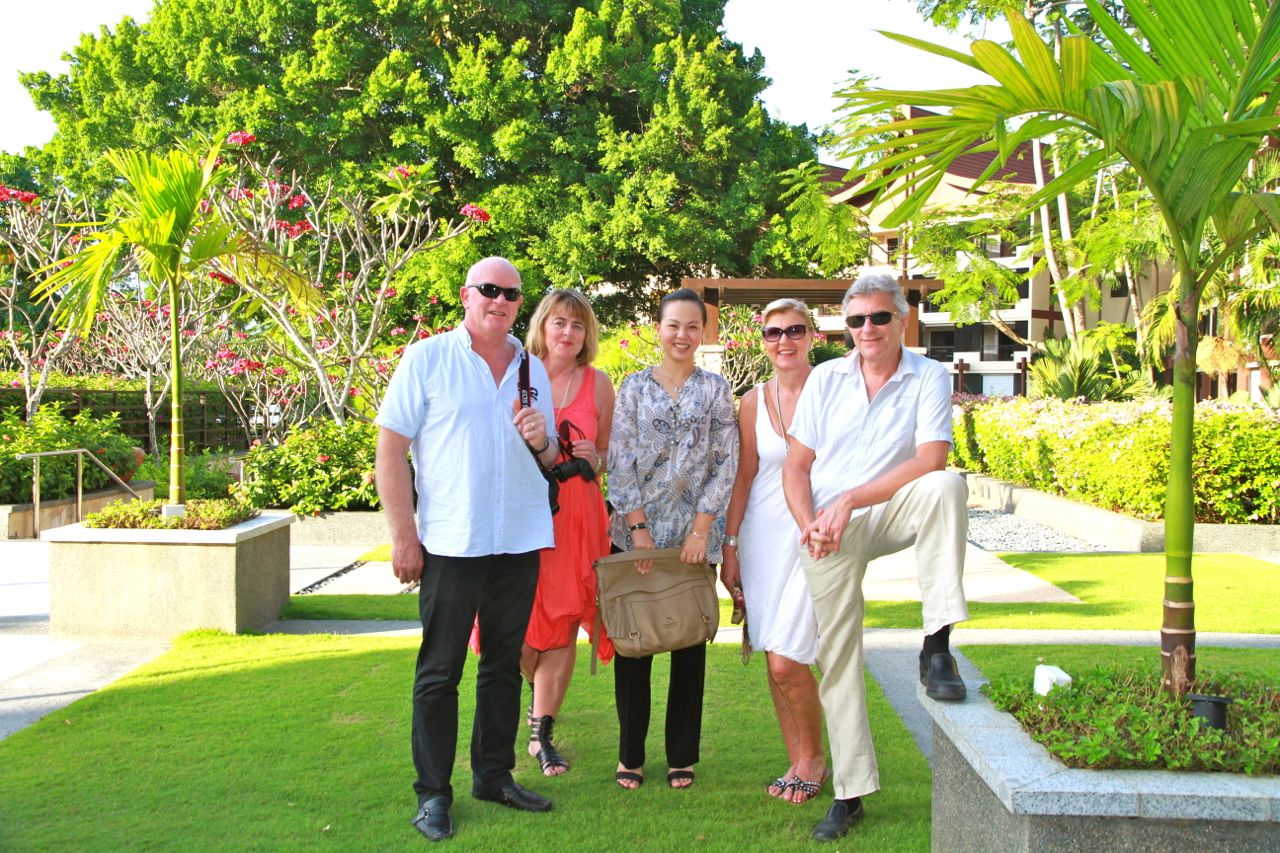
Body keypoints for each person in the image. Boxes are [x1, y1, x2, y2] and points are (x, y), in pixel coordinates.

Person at [375, 257, 560, 843]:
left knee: (503, 666)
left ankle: (494, 777)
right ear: (466, 295)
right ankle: (433, 794)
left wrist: (544, 442)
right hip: (452, 543)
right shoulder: (426, 359)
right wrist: (403, 535)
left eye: (511, 294)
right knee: (440, 671)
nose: (500, 301)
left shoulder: (532, 368)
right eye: (489, 290)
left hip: (518, 539)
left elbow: (552, 458)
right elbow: (390, 450)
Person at [782, 272, 969, 842]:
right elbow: (796, 467)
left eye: (880, 317)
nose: (868, 328)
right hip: (827, 530)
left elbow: (931, 458)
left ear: (902, 321)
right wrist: (810, 524)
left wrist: (850, 500)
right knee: (837, 657)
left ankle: (936, 643)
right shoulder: (825, 379)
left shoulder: (928, 375)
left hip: (886, 511)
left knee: (946, 487)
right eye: (857, 319)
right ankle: (850, 794)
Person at [607, 287, 738, 791]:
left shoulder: (716, 390)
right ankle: (630, 756)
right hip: (635, 538)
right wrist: (638, 530)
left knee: (687, 647)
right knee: (634, 648)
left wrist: (701, 530)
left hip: (693, 541)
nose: (682, 335)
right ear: (658, 329)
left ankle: (681, 755)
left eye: (692, 326)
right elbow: (619, 460)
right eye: (673, 325)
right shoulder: (634, 387)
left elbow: (726, 461)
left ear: (703, 332)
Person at [719, 298, 825, 805]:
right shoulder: (752, 402)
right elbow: (744, 477)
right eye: (774, 332)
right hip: (761, 538)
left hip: (815, 536)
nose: (785, 341)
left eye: (795, 330)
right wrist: (731, 545)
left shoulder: (835, 390)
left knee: (788, 660)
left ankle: (815, 758)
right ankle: (797, 760)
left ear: (813, 336)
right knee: (772, 655)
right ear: (762, 341)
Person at [519, 288, 616, 776]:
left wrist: (595, 458)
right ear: (543, 325)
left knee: (562, 619)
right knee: (517, 624)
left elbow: (606, 454)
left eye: (578, 325)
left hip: (577, 515)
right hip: (521, 514)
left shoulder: (598, 384)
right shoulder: (517, 374)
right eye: (559, 322)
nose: (568, 332)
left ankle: (541, 731)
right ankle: (531, 691)